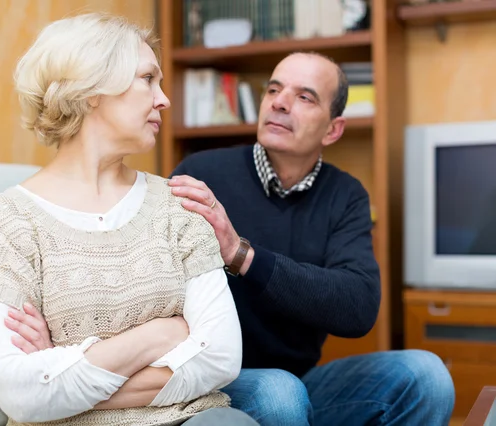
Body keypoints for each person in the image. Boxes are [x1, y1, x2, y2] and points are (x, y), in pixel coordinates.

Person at [0, 13, 258, 426]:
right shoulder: (7, 220)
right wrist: (159, 335)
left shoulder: (177, 206)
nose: (164, 99)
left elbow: (221, 357)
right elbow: (22, 394)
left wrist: (63, 370)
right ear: (92, 90)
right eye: (147, 78)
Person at [165, 52, 456, 425]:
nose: (279, 102)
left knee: (425, 374)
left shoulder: (346, 195)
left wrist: (243, 256)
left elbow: (358, 306)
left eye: (305, 97)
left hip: (301, 382)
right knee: (278, 393)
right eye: (273, 89)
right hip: (216, 384)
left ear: (333, 129)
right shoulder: (201, 174)